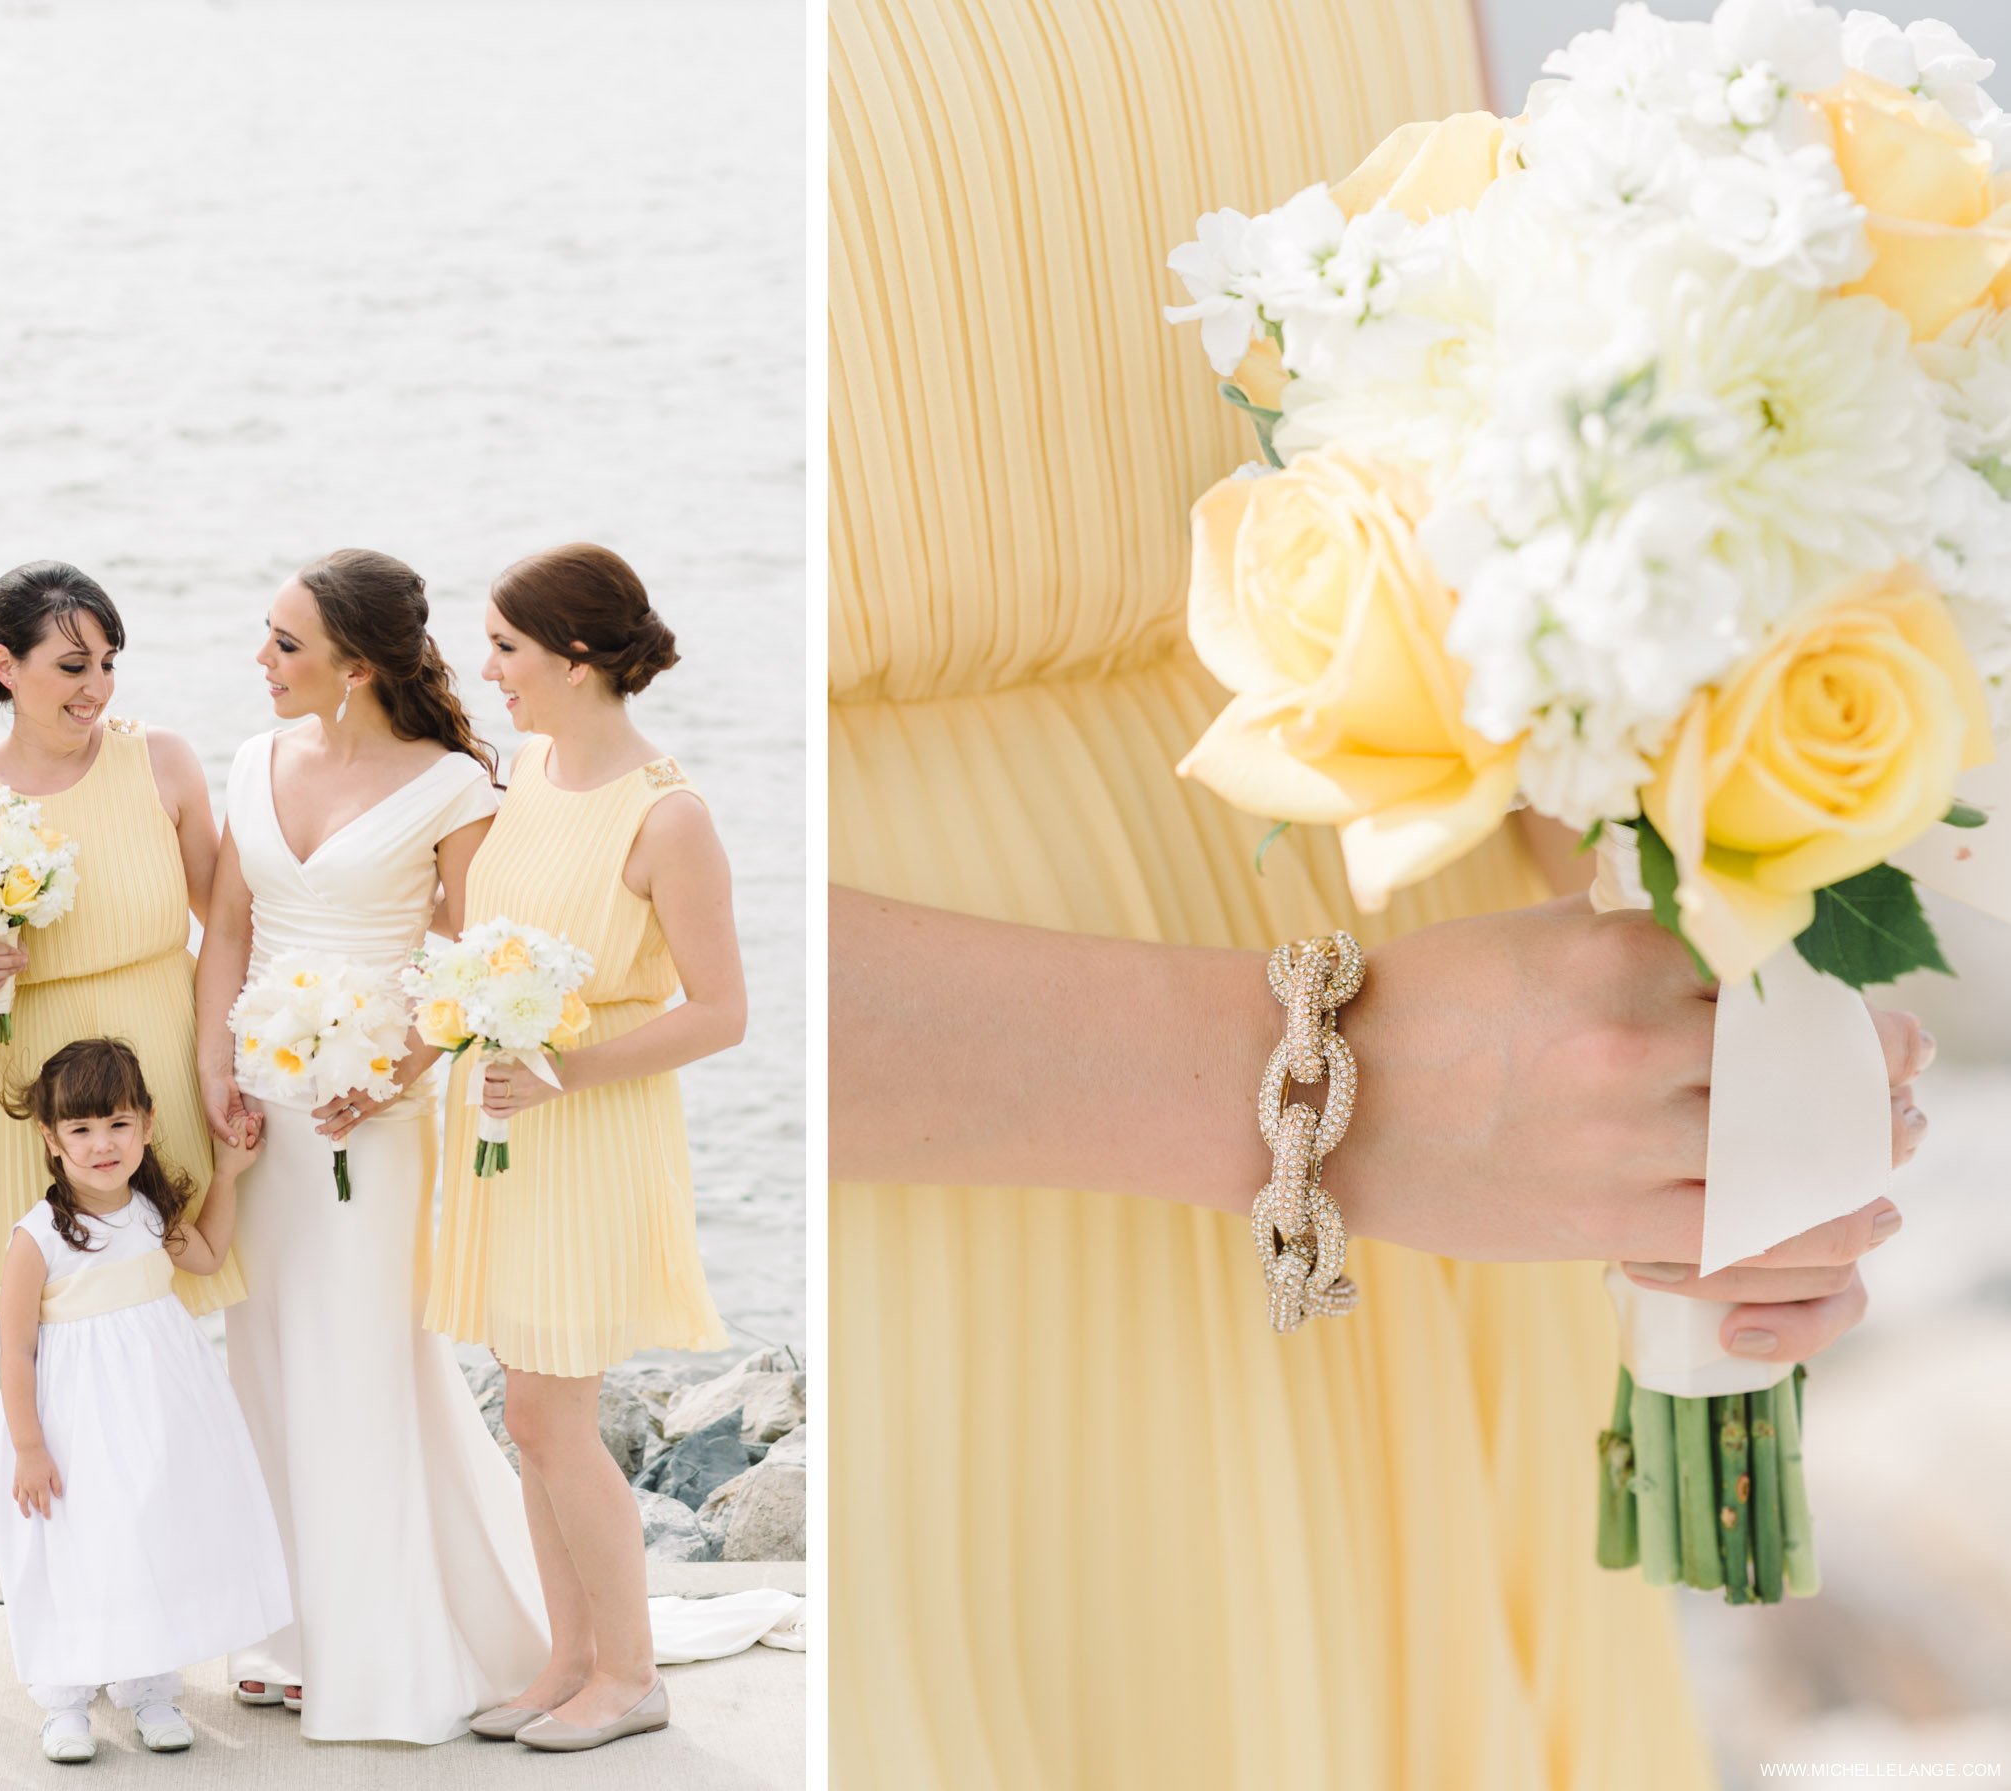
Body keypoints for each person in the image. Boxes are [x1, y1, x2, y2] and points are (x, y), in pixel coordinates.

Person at [823, 3, 1927, 1785]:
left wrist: (1679, 864)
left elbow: (1479, 372)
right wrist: (1336, 1084)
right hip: (985, 1242)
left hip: (1457, 1213)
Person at [195, 547, 549, 1739]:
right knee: (263, 1356)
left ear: (355, 665)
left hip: (374, 1119)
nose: (263, 661)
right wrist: (214, 1076)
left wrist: (389, 1075)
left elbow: (470, 970)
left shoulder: (455, 788)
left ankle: (381, 1643)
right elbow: (229, 934)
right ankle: (282, 1631)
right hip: (258, 1110)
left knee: (355, 1360)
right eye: (267, 635)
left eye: (286, 645)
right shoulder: (251, 761)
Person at [425, 544, 744, 1754]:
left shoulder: (671, 814)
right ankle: (570, 1659)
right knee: (529, 1410)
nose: (487, 668)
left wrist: (561, 1072)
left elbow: (721, 1013)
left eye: (505, 647)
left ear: (572, 657)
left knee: (558, 1416)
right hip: (506, 1120)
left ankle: (632, 1672)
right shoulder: (530, 772)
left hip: (591, 1127)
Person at [0, 561, 238, 1322]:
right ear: (6, 665)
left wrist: (224, 1054)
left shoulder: (159, 758)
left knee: (182, 1279)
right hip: (32, 1065)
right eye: (72, 666)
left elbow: (228, 919)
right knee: (54, 1303)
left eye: (107, 664)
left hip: (164, 1037)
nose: (96, 686)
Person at [0, 1038, 288, 1765]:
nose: (102, 1145)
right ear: (51, 1140)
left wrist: (229, 1172)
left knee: (154, 1525)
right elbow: (16, 1348)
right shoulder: (39, 1237)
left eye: (118, 1125)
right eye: (82, 1130)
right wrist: (29, 1444)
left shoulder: (151, 1211)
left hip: (158, 1404)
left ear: (148, 1125)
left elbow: (209, 1254)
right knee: (83, 1539)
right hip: (73, 1414)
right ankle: (65, 1698)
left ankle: (150, 1684)